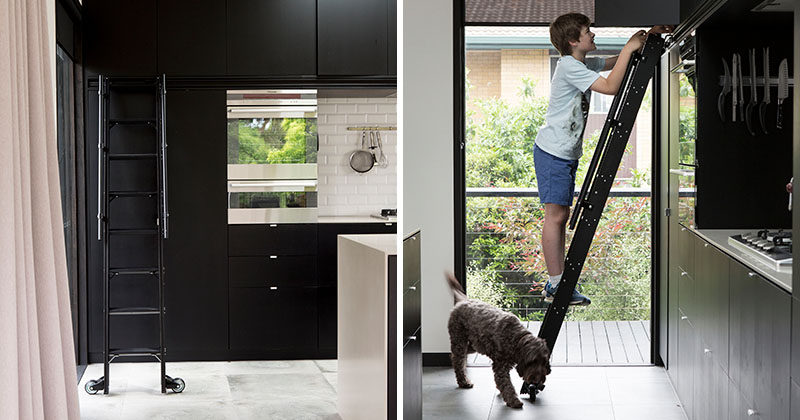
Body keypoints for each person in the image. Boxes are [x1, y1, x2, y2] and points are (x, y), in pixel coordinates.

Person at [535, 13, 673, 305]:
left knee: (561, 217)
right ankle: (555, 284)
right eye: (588, 32)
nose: (593, 35)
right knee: (555, 216)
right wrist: (629, 48)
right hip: (552, 152)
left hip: (562, 152)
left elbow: (612, 65)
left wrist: (643, 37)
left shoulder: (580, 63)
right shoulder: (570, 67)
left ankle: (557, 283)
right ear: (574, 40)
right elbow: (610, 87)